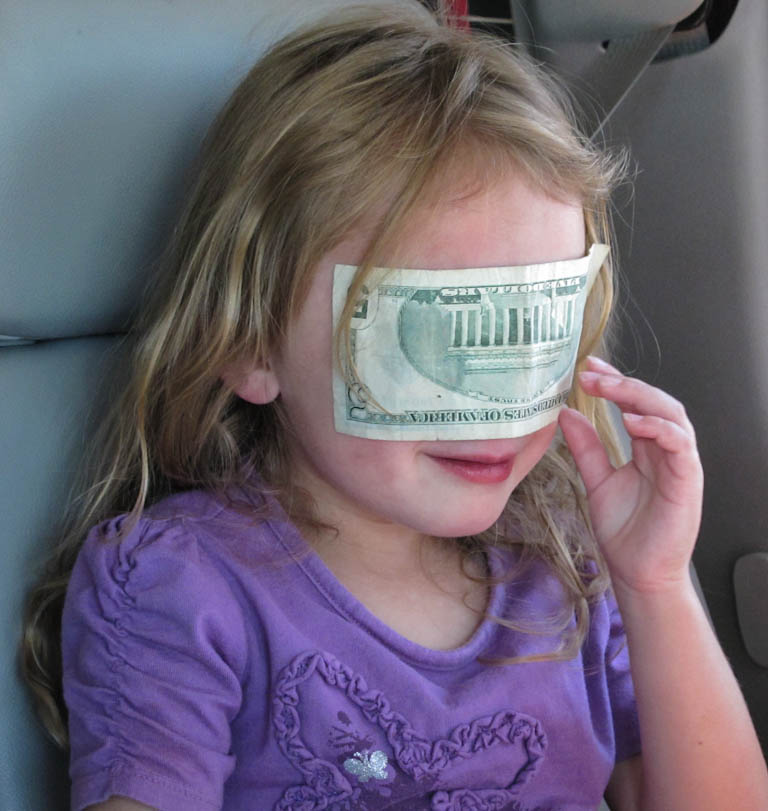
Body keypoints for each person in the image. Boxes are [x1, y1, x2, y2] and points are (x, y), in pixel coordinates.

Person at [21, 3, 768, 810]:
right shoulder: (184, 588)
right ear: (252, 343)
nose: (497, 404)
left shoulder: (565, 568)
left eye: (531, 330)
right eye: (432, 336)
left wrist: (654, 584)